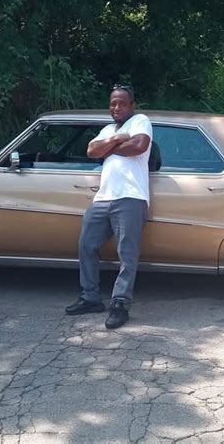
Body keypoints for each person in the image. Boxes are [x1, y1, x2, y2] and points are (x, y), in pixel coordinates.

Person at [65, 85, 152, 329]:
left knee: (127, 254)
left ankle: (120, 304)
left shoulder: (140, 121)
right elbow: (92, 151)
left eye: (122, 103)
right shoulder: (107, 130)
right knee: (86, 245)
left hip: (131, 197)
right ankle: (90, 297)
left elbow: (139, 146)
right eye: (113, 103)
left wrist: (107, 149)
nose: (117, 107)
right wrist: (115, 139)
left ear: (132, 105)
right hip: (102, 198)